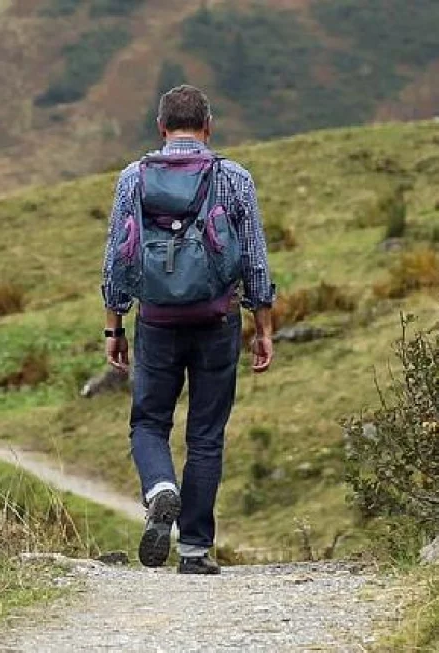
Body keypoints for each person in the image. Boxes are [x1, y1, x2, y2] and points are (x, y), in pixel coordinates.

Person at [100, 84, 276, 574]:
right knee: (206, 434)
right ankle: (195, 549)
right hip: (217, 319)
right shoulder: (234, 178)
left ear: (161, 127)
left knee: (148, 422)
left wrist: (114, 327)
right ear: (208, 126)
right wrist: (263, 325)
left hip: (156, 320)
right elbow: (255, 259)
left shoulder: (133, 178)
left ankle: (160, 487)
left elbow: (117, 257)